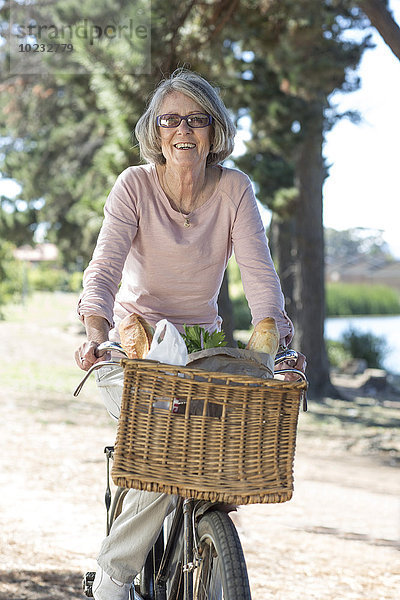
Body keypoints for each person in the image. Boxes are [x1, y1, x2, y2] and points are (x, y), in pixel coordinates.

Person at [75, 68, 305, 600]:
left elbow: (259, 274)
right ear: (156, 132)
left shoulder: (233, 189)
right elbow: (104, 267)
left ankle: (206, 545)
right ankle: (112, 581)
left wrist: (282, 344)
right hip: (130, 342)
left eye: (196, 120)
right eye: (170, 120)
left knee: (211, 450)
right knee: (163, 439)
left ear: (214, 132)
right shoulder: (134, 185)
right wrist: (95, 329)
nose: (183, 130)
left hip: (201, 347)